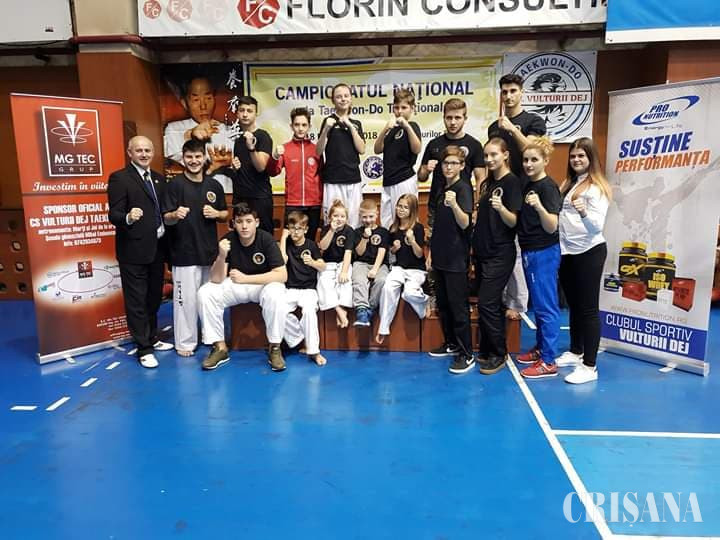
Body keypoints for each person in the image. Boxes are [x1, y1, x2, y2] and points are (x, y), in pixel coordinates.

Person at [197, 203, 289, 372]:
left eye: (248, 221)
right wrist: (222, 255)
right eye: (239, 222)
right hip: (237, 285)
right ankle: (220, 347)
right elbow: (216, 279)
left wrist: (247, 278)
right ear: (233, 223)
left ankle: (275, 347)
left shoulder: (266, 239)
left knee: (276, 293)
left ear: (257, 222)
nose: (244, 226)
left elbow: (282, 275)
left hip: (261, 285)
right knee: (206, 292)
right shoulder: (228, 240)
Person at [107, 136, 173, 369]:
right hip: (132, 250)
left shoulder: (158, 179)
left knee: (153, 297)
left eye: (147, 150)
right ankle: (144, 348)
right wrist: (127, 217)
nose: (144, 154)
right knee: (136, 301)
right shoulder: (119, 178)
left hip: (157, 248)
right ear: (130, 153)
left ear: (153, 152)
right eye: (139, 150)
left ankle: (152, 337)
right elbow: (113, 214)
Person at [487, 73, 547, 324]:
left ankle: (518, 302)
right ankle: (502, 297)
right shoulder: (494, 126)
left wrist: (512, 129)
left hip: (525, 191)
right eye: (505, 92)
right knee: (501, 245)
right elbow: (492, 158)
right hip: (501, 190)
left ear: (521, 92)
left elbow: (532, 150)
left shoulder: (533, 121)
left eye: (513, 91)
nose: (508, 96)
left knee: (520, 250)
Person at [162, 138, 228, 357]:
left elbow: (225, 213)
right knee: (186, 302)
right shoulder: (174, 185)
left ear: (204, 157)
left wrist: (217, 213)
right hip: (184, 253)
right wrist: (175, 214)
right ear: (183, 158)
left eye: (198, 156)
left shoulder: (214, 185)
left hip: (208, 252)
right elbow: (166, 217)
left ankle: (212, 338)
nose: (193, 161)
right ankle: (185, 342)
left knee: (210, 300)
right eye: (189, 157)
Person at [558, 137, 611, 384]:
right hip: (568, 252)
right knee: (575, 305)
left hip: (589, 251)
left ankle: (590, 366)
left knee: (588, 309)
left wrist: (583, 212)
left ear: (591, 158)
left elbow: (596, 227)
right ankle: (576, 350)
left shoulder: (596, 188)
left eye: (581, 155)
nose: (576, 159)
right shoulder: (569, 183)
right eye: (573, 156)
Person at [472, 138, 523, 375]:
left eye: (494, 154)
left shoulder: (512, 183)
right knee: (489, 303)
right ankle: (488, 348)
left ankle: (499, 353)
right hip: (482, 252)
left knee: (487, 302)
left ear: (505, 155)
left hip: (500, 253)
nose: (489, 159)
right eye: (486, 155)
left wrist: (502, 208)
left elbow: (514, 221)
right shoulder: (487, 183)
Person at [516, 137, 562, 379]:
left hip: (543, 251)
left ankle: (549, 361)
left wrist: (540, 207)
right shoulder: (528, 184)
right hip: (530, 250)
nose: (528, 164)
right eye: (526, 160)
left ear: (545, 160)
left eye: (534, 159)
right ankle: (541, 349)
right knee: (539, 304)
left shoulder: (547, 187)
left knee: (546, 306)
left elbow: (552, 225)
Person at [427, 146, 475, 374]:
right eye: (446, 163)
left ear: (462, 166)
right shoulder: (442, 188)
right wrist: (431, 253)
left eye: (454, 163)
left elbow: (465, 223)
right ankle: (452, 344)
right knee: (444, 305)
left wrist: (454, 204)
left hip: (456, 258)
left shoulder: (463, 188)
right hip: (440, 256)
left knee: (458, 307)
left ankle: (467, 354)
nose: (449, 167)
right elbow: (437, 226)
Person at [418, 98, 485, 229]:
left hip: (463, 205)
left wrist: (478, 207)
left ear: (465, 119)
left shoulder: (474, 145)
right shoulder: (434, 144)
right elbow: (421, 177)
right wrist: (426, 169)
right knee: (436, 241)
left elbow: (481, 179)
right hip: (436, 206)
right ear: (443, 118)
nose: (453, 122)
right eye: (449, 118)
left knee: (462, 241)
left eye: (457, 117)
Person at [376, 194, 428, 344]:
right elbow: (391, 253)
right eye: (399, 206)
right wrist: (394, 249)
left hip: (416, 270)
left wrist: (412, 241)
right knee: (387, 288)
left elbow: (420, 254)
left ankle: (424, 302)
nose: (401, 209)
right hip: (399, 268)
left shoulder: (417, 228)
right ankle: (383, 328)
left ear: (412, 210)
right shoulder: (393, 229)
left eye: (405, 207)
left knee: (409, 294)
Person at [266, 107, 323, 241]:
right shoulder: (285, 148)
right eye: (297, 125)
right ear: (291, 126)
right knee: (291, 241)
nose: (300, 128)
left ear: (309, 126)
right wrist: (274, 157)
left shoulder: (316, 150)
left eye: (304, 125)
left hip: (313, 203)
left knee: (310, 241)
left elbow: (323, 173)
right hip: (293, 203)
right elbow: (273, 172)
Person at [279, 211, 327, 367]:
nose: (295, 232)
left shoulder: (311, 245)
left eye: (299, 228)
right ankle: (298, 336)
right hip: (290, 289)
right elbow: (282, 261)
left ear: (305, 230)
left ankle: (314, 351)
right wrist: (283, 238)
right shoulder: (287, 244)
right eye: (292, 228)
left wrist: (312, 262)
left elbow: (323, 266)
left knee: (309, 311)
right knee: (277, 310)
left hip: (308, 289)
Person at [317, 83, 366, 228]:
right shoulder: (328, 121)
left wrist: (350, 126)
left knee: (354, 221)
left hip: (353, 179)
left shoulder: (356, 123)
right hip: (333, 180)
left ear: (351, 98)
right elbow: (318, 151)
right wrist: (326, 129)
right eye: (339, 96)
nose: (343, 99)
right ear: (333, 100)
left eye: (346, 96)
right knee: (333, 221)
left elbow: (362, 149)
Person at [374, 88, 422, 228]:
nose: (399, 111)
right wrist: (385, 129)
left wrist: (407, 127)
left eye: (404, 107)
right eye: (396, 107)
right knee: (387, 221)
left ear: (412, 108)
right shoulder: (391, 129)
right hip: (388, 180)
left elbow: (417, 149)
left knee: (406, 219)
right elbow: (377, 149)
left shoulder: (412, 126)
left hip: (404, 179)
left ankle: (408, 241)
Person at [163, 76, 232, 166]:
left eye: (208, 98)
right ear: (184, 103)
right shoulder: (173, 128)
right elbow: (171, 162)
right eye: (196, 100)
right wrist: (189, 136)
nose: (203, 106)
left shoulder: (228, 130)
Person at [230, 95, 274, 233]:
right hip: (240, 196)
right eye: (242, 110)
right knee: (240, 236)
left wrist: (251, 148)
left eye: (249, 111)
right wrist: (234, 166)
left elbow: (261, 167)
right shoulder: (238, 140)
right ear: (237, 113)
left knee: (263, 237)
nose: (245, 114)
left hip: (259, 197)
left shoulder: (263, 136)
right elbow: (241, 168)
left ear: (256, 113)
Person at [317, 199, 355, 328]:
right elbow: (323, 247)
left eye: (342, 216)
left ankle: (343, 308)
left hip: (343, 262)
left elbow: (348, 253)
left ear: (346, 219)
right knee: (323, 282)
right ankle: (338, 309)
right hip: (328, 263)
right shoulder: (326, 229)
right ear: (330, 218)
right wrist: (332, 231)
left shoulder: (349, 231)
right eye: (336, 216)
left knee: (345, 281)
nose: (339, 219)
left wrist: (344, 271)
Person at [352, 199, 389, 327]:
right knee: (359, 279)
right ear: (360, 216)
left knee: (382, 280)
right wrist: (365, 237)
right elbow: (359, 252)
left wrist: (375, 269)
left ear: (377, 214)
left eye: (371, 216)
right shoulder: (357, 232)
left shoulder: (383, 232)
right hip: (361, 263)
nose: (368, 220)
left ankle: (370, 309)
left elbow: (382, 251)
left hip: (379, 264)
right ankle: (361, 309)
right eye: (364, 217)